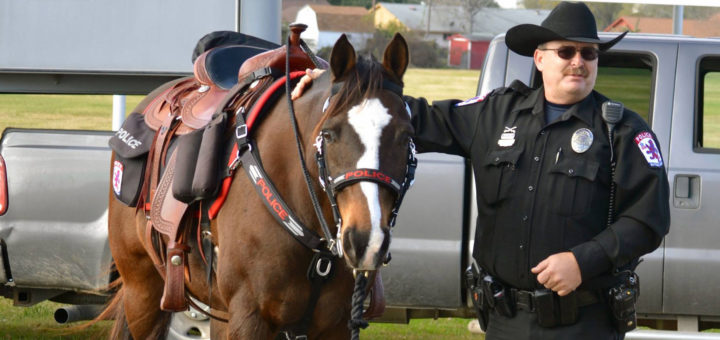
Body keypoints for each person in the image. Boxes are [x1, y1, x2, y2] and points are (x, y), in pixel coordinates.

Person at [292, 2, 670, 338]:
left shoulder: (621, 131)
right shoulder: (495, 114)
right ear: (539, 58)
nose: (579, 61)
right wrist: (329, 89)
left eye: (589, 53)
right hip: (503, 321)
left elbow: (648, 219)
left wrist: (582, 262)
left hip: (584, 323)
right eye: (566, 51)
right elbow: (397, 116)